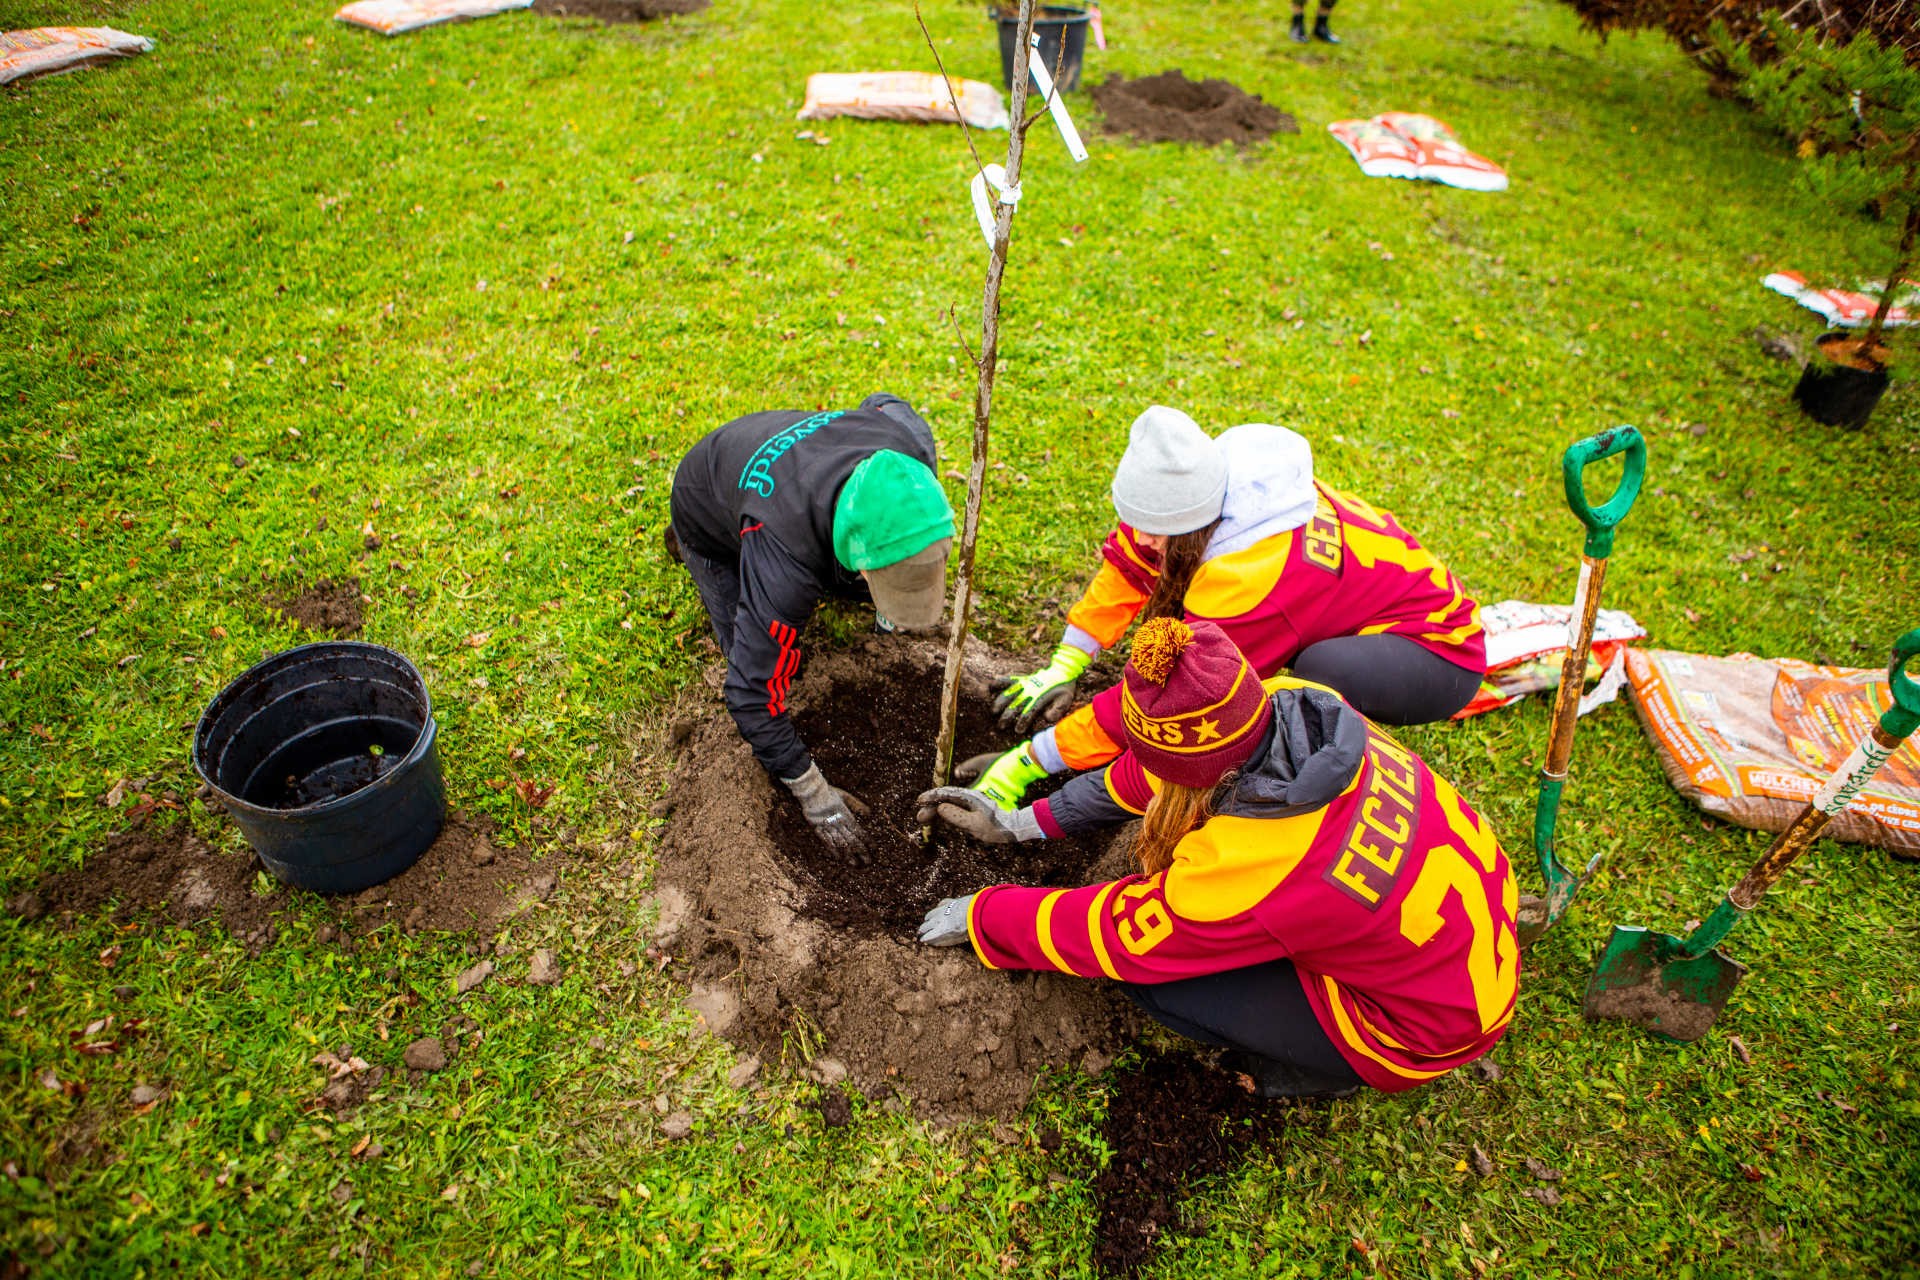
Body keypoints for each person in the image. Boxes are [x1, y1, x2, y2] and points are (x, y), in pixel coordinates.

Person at [916, 617, 1519, 1097]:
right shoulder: (1291, 703)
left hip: (1420, 1028)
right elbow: (1152, 775)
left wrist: (984, 915)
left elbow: (1122, 936)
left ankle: (1332, 1071)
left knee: (1159, 983)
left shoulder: (1255, 861)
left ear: (1201, 777)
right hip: (1463, 938)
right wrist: (1024, 825)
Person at [963, 405, 1485, 838]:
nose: (1143, 537)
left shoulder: (1247, 580)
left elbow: (1177, 705)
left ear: (1194, 525)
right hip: (1366, 601)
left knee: (1301, 682)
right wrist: (1066, 663)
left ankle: (1318, 784)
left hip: (1436, 651)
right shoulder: (1199, 489)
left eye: (1156, 531)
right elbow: (1130, 561)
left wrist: (1033, 760)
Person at [668, 393, 954, 863]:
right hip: (708, 497)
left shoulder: (909, 456)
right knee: (750, 649)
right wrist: (815, 797)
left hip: (791, 472)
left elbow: (886, 402)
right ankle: (690, 542)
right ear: (858, 557)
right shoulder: (783, 554)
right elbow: (750, 695)